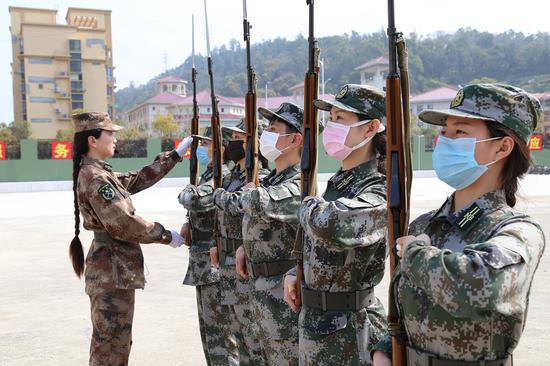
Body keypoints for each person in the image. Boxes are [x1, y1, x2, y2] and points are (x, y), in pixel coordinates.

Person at [374, 83, 546, 366]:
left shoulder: (517, 231)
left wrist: (417, 253)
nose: (446, 141)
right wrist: (383, 349)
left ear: (502, 147)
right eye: (444, 133)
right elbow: (406, 313)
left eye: (460, 132)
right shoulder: (425, 225)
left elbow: (482, 286)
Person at [68, 111, 187, 366]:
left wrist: (174, 157)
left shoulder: (98, 172)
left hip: (112, 271)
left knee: (115, 344)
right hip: (112, 272)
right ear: (92, 139)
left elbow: (137, 179)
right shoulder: (96, 178)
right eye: (110, 133)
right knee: (111, 348)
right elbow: (124, 224)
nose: (115, 139)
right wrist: (167, 235)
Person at [283, 84, 389, 365]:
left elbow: (332, 224)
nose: (331, 126)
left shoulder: (378, 186)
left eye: (341, 119)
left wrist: (307, 205)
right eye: (330, 118)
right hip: (316, 324)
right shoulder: (340, 182)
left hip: (350, 331)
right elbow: (316, 238)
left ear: (371, 128)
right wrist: (296, 271)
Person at [233, 102, 304, 365]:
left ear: (295, 139)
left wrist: (250, 191)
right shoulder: (273, 179)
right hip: (259, 289)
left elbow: (257, 202)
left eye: (274, 129)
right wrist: (245, 246)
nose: (266, 136)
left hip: (280, 296)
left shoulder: (298, 182)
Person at [212, 119, 271, 365]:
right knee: (239, 333)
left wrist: (220, 196)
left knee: (254, 338)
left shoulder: (263, 176)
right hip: (229, 261)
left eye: (242, 138)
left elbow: (238, 205)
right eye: (235, 137)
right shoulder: (235, 175)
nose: (235, 143)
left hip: (246, 264)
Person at [178, 130, 238, 365]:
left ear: (221, 147)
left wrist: (188, 192)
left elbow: (196, 199)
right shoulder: (209, 173)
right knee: (209, 334)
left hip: (215, 265)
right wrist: (188, 222)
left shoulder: (224, 174)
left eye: (206, 142)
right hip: (202, 262)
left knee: (222, 336)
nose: (201, 147)